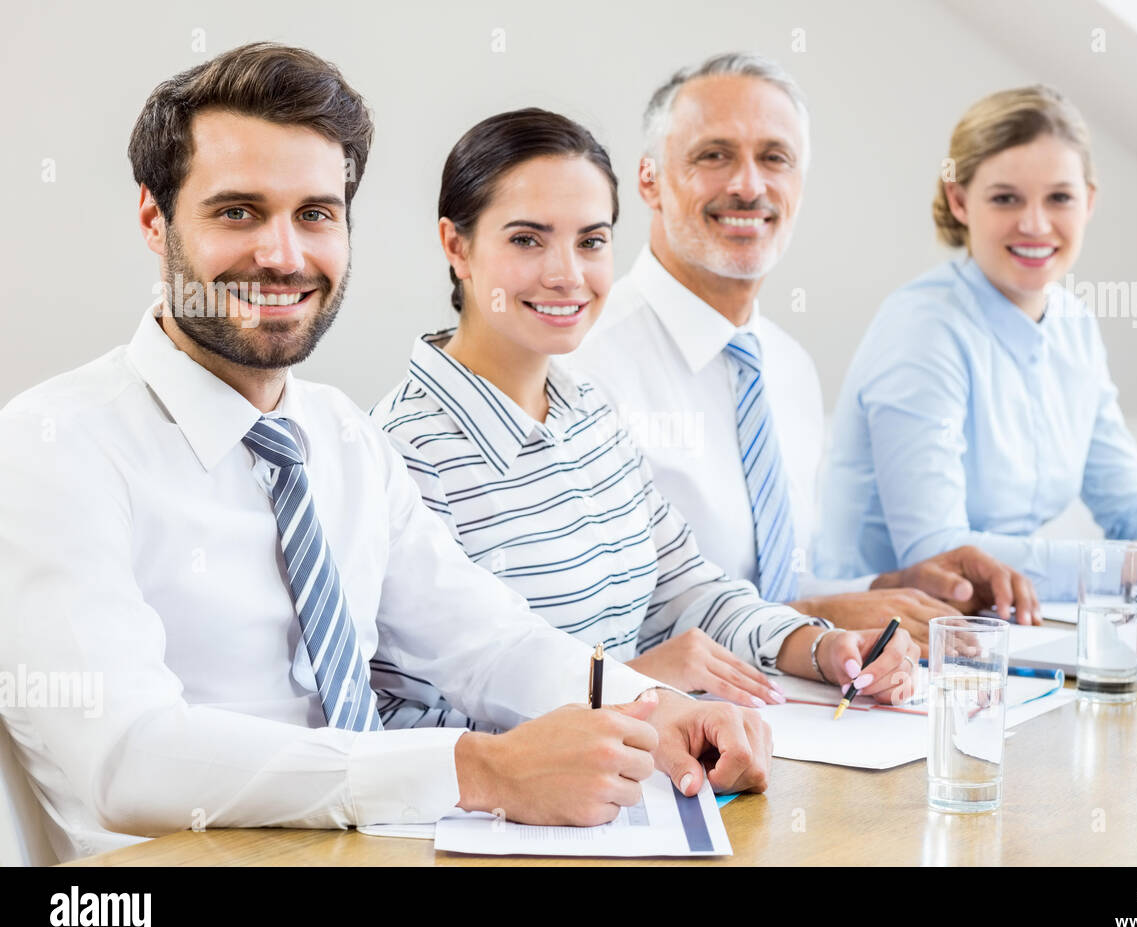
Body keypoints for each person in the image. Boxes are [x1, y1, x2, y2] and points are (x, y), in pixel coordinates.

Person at [0, 43, 770, 863]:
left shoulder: (340, 438)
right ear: (155, 219)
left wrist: (653, 710)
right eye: (237, 212)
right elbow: (127, 758)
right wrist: (475, 769)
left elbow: (485, 640)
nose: (284, 255)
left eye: (315, 214)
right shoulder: (55, 448)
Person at [371, 108, 920, 718]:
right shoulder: (401, 454)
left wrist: (819, 648)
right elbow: (396, 718)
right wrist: (628, 689)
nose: (567, 275)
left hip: (648, 784)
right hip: (529, 810)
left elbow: (684, 590)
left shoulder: (589, 415)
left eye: (591, 241)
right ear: (457, 246)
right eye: (527, 239)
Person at [571, 53, 1040, 632]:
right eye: (714, 155)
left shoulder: (788, 367)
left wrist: (890, 588)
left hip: (801, 702)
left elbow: (776, 584)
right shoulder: (583, 364)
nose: (749, 185)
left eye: (775, 158)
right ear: (650, 180)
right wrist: (810, 618)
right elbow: (592, 632)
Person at [817, 84, 1137, 601]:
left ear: (1089, 202)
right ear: (960, 200)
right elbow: (936, 555)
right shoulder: (923, 329)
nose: (1035, 223)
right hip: (878, 641)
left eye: (1059, 197)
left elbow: (1128, 506)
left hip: (1000, 629)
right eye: (1005, 198)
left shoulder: (1074, 325)